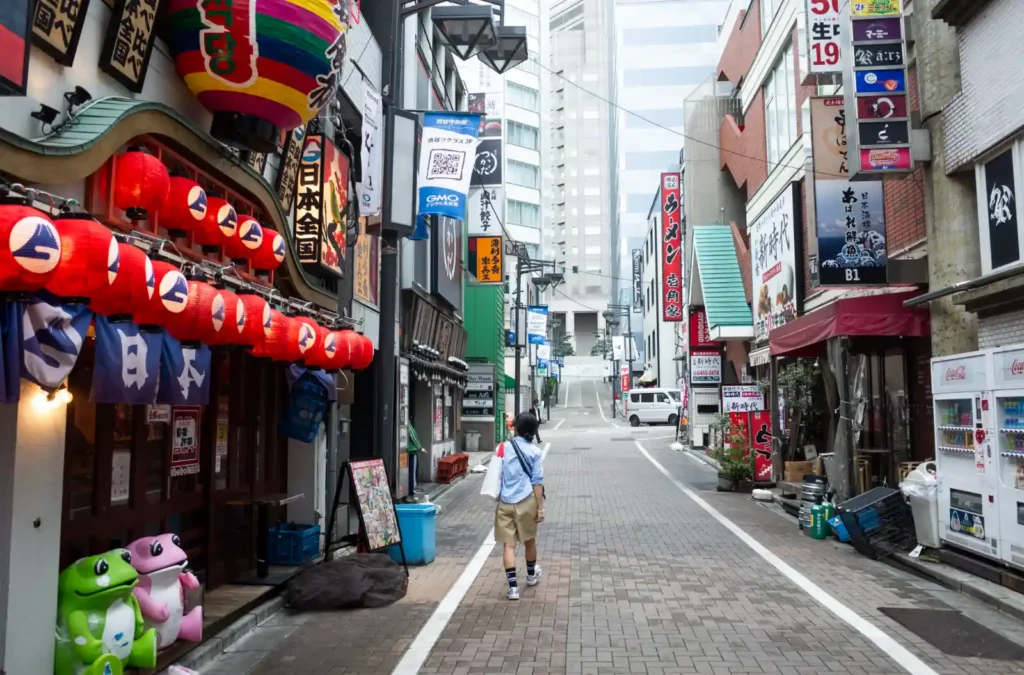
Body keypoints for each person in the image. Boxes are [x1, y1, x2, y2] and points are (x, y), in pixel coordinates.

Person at [494, 412, 545, 600]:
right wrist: (540, 508)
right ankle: (531, 576)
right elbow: (537, 482)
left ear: (516, 428)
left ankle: (513, 588)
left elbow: (497, 472)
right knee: (529, 540)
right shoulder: (535, 452)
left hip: (505, 501)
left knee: (509, 545)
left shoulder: (503, 447)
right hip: (526, 501)